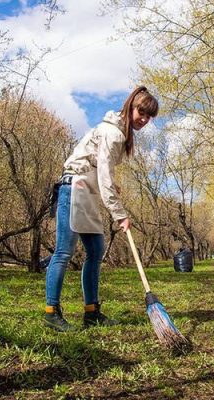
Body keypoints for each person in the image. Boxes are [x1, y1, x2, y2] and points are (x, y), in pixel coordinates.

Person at [44, 86, 159, 331]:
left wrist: (111, 186)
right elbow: (102, 174)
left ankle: (92, 312)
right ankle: (51, 312)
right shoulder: (113, 133)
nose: (145, 120)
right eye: (142, 112)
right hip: (73, 189)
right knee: (63, 252)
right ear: (131, 107)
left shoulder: (119, 133)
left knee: (95, 251)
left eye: (149, 117)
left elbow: (99, 169)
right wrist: (120, 215)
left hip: (87, 192)